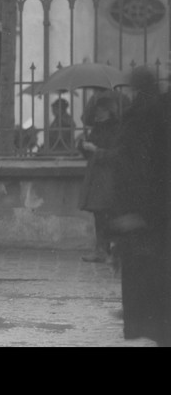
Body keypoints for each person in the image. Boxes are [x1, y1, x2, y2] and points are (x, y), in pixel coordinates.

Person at [110, 66, 170, 345]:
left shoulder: (143, 116)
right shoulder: (157, 111)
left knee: (143, 278)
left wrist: (134, 210)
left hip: (142, 211)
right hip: (153, 210)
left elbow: (139, 166)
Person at [77, 91, 122, 263]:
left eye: (101, 109)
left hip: (109, 176)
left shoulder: (116, 128)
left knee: (108, 213)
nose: (98, 112)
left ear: (109, 110)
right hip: (96, 176)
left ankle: (111, 250)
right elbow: (90, 152)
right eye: (97, 108)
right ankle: (101, 250)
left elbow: (117, 154)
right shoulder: (97, 127)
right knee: (98, 213)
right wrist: (83, 147)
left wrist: (97, 151)